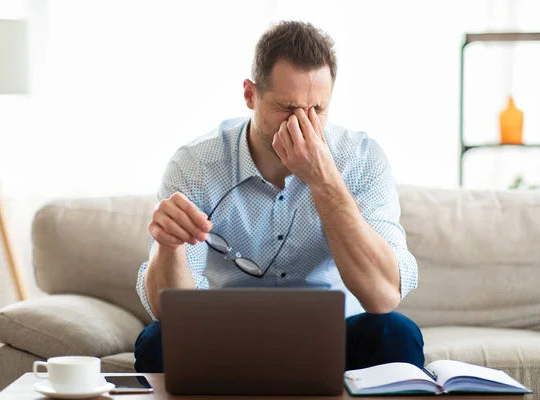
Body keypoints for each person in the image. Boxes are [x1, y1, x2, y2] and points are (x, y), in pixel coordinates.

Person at [134, 20, 424, 373]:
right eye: (287, 107)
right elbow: (170, 309)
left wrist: (325, 182)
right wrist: (169, 246)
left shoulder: (360, 159)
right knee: (158, 340)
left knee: (396, 332)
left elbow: (383, 295)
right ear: (250, 95)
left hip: (333, 336)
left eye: (317, 110)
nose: (303, 125)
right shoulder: (197, 164)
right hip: (228, 334)